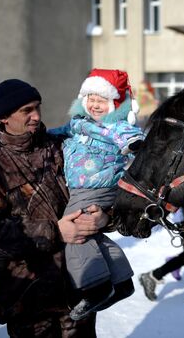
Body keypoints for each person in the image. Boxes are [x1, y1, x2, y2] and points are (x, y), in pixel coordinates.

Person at [0, 79, 110, 337]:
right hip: (29, 302)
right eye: (26, 110)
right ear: (4, 116)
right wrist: (56, 231)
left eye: (37, 107)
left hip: (77, 290)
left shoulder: (56, 147)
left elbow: (92, 188)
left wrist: (104, 217)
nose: (36, 116)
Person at [53, 69, 145, 320]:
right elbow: (59, 132)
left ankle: (96, 287)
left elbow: (129, 135)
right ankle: (121, 280)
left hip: (97, 185)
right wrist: (44, 136)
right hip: (86, 187)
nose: (95, 105)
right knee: (90, 233)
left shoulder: (114, 125)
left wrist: (135, 143)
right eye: (91, 98)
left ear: (114, 104)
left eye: (102, 100)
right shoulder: (79, 124)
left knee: (74, 231)